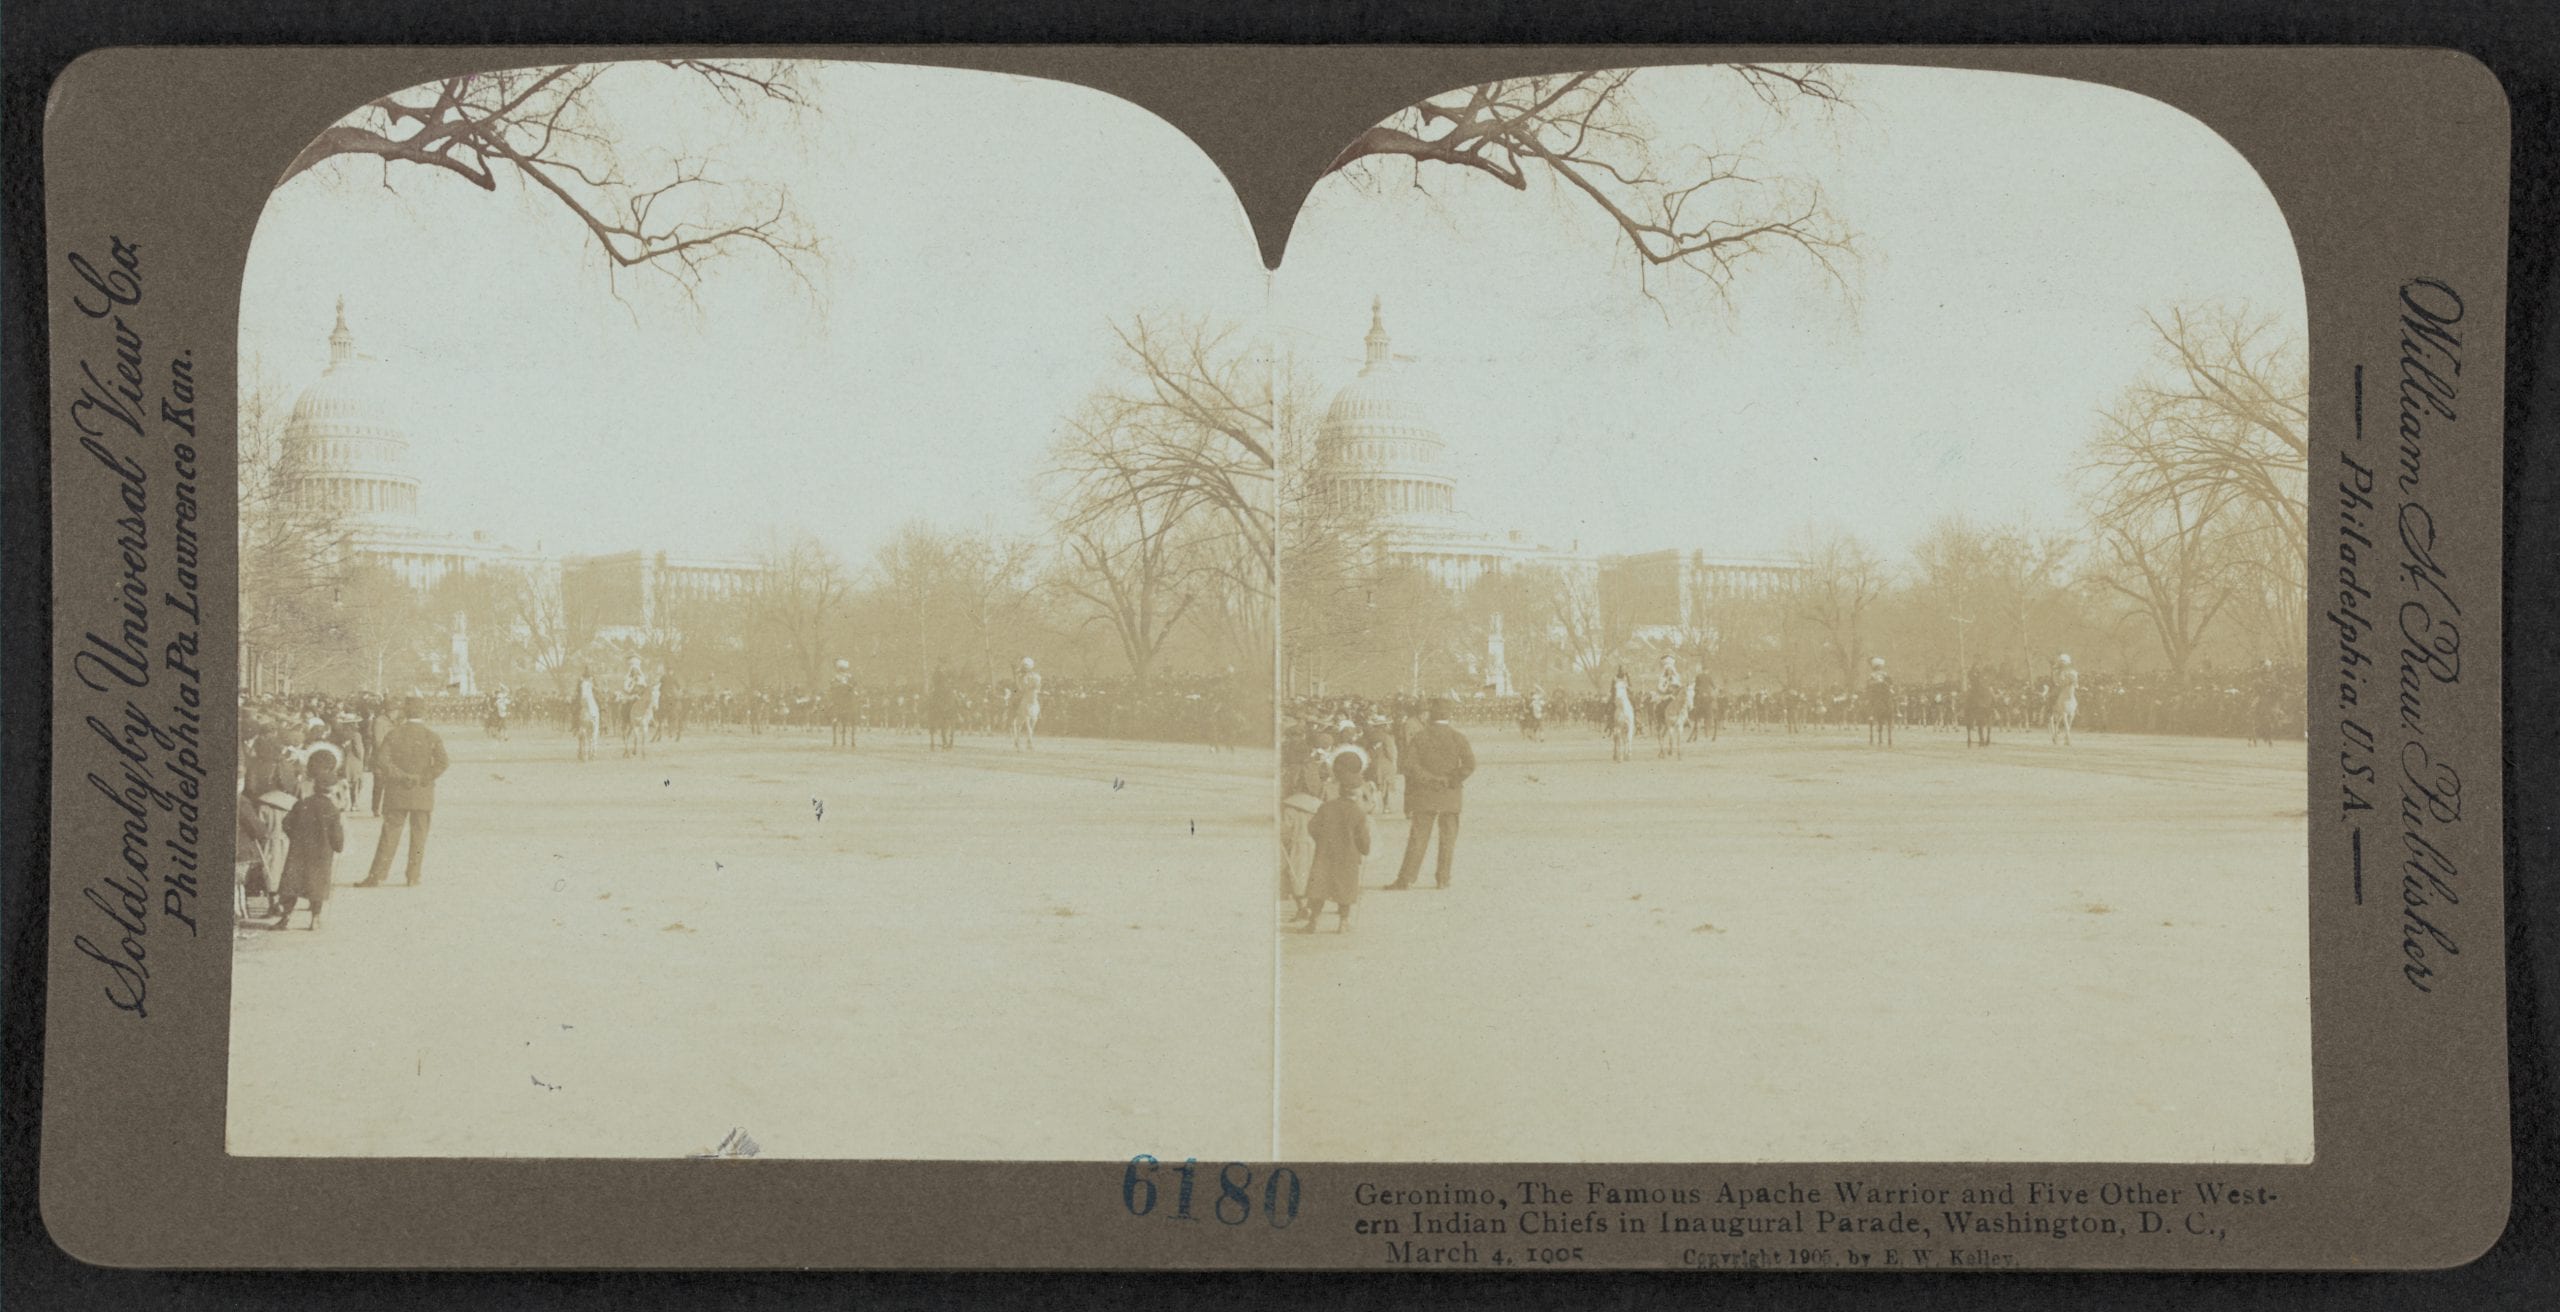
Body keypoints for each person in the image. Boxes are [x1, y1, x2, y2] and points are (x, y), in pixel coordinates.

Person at [361, 696, 448, 888]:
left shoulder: (394, 734)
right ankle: (413, 876)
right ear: (424, 713)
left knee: (390, 833)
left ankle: (377, 875)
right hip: (423, 793)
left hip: (397, 792)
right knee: (419, 836)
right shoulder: (431, 736)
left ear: (405, 713)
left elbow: (382, 761)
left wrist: (401, 776)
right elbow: (443, 763)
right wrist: (423, 777)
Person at [1390, 697, 1475, 890]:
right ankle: (1443, 879)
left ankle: (1406, 879)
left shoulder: (1421, 737)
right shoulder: (1458, 737)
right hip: (1451, 794)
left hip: (1425, 793)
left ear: (1430, 715)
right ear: (1449, 715)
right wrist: (1452, 779)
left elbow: (1410, 765)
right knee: (1448, 839)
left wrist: (1430, 779)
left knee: (1418, 837)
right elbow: (1470, 765)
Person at [1298, 752, 1372, 933]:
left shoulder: (1326, 807)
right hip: (1348, 856)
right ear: (1355, 793)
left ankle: (1313, 922)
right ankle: (1343, 923)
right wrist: (1364, 850)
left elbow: (1313, 827)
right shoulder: (1358, 812)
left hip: (1325, 853)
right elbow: (1363, 838)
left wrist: (1322, 840)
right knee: (1345, 889)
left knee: (1319, 888)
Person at [273, 756, 345, 929]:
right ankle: (315, 919)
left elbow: (286, 823)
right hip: (321, 853)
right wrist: (337, 846)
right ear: (331, 789)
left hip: (299, 850)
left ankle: (286, 918)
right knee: (317, 886)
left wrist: (295, 838)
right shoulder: (332, 809)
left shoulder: (302, 803)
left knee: (292, 884)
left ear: (315, 787)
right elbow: (337, 836)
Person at [1010, 656, 1043, 751]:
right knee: (1017, 700)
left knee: (1038, 706)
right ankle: (1027, 741)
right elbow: (1020, 687)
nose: (1025, 668)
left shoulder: (1035, 675)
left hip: (1033, 696)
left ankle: (1029, 740)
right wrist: (1018, 677)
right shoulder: (1021, 675)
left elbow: (1038, 685)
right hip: (1024, 695)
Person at [2049, 653, 2081, 746]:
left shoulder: (2073, 671)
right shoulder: (2057, 671)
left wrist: (2076, 684)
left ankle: (2078, 710)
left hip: (2070, 689)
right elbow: (2056, 681)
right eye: (2062, 662)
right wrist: (2060, 683)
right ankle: (2051, 709)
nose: (2063, 664)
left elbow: (2076, 680)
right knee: (2053, 696)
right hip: (2061, 688)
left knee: (2078, 697)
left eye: (2064, 662)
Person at [1864, 657, 1896, 748]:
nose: (1879, 668)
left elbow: (1891, 682)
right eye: (1878, 666)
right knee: (1871, 700)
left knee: (1893, 698)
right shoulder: (1872, 675)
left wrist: (1887, 684)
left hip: (1885, 691)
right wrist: (1875, 683)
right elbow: (1868, 685)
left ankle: (1896, 711)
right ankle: (1871, 714)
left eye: (1880, 666)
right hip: (1876, 692)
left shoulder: (1885, 674)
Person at [828, 659, 859, 751]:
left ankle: (858, 713)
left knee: (856, 697)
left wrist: (851, 685)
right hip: (840, 694)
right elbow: (832, 684)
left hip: (848, 693)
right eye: (841, 668)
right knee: (834, 700)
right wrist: (840, 685)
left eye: (843, 668)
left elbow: (854, 684)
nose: (842, 670)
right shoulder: (836, 677)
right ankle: (834, 715)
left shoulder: (850, 676)